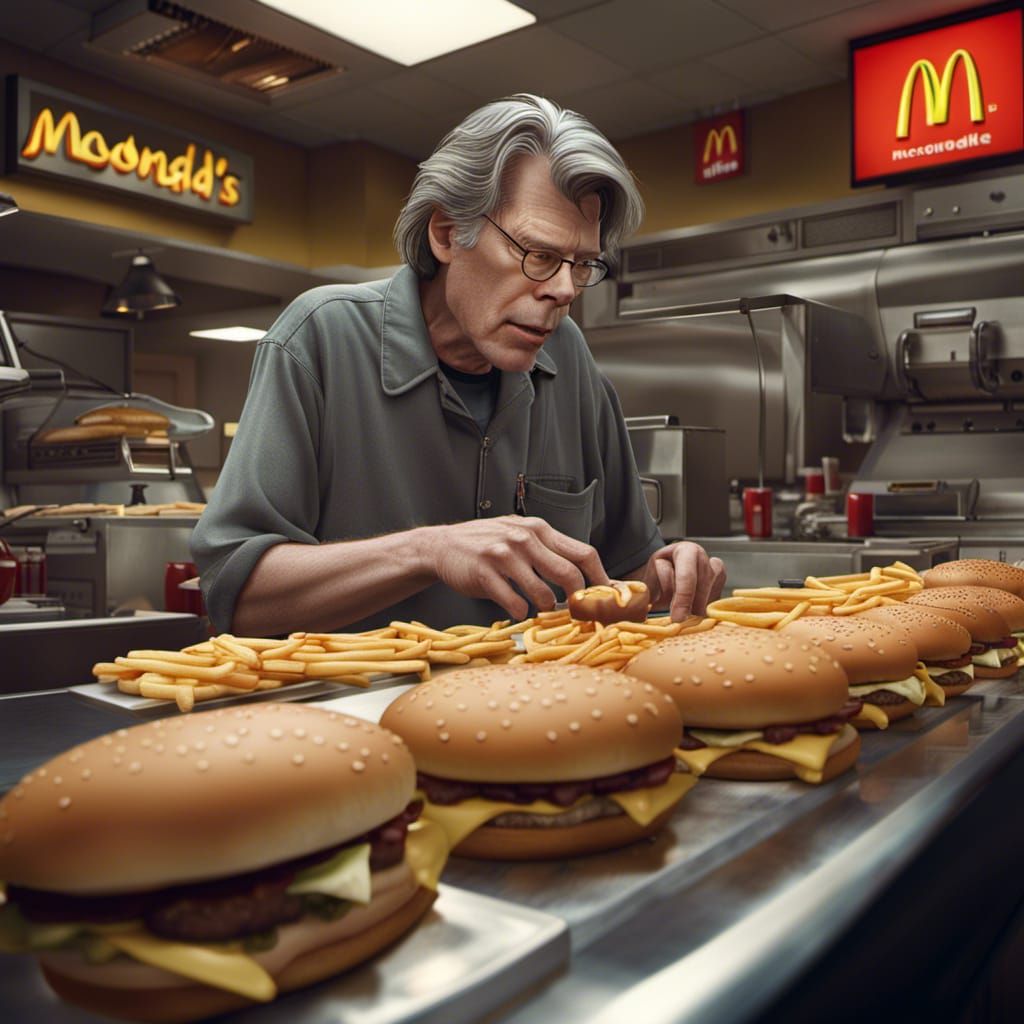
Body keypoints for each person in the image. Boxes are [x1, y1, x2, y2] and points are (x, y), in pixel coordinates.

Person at [192, 94, 726, 636]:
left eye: (583, 264)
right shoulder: (319, 338)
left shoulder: (571, 359)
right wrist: (429, 550)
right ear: (447, 232)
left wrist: (662, 576)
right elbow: (238, 597)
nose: (565, 290)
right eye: (538, 256)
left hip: (531, 710)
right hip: (348, 715)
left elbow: (620, 571)